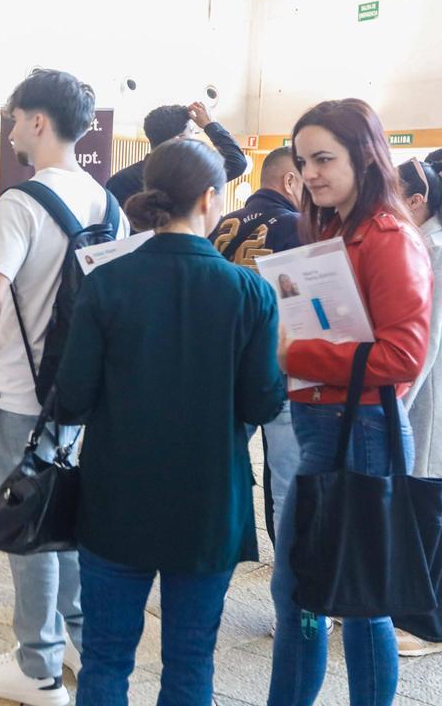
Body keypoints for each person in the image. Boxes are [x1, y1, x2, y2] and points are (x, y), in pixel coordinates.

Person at [56, 138, 282, 705]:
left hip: (115, 499)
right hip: (209, 505)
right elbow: (262, 405)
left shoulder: (108, 280)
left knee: (104, 660)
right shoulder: (249, 290)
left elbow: (71, 399)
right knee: (191, 663)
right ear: (209, 197)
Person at [0, 69, 128, 706]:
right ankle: (79, 643)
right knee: (70, 517)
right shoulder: (108, 203)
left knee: (26, 519)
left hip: (18, 393)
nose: (10, 132)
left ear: (38, 121)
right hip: (80, 396)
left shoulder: (21, 202)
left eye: (14, 119)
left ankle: (36, 666)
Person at [268, 99, 432, 706]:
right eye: (304, 160)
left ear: (365, 156)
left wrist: (297, 357)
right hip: (327, 426)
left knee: (358, 602)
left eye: (324, 159)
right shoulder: (339, 229)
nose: (310, 173)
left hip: (360, 429)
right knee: (303, 592)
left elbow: (402, 357)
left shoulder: (388, 236)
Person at [391, 158, 442, 657]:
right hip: (424, 394)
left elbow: (423, 341)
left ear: (417, 200)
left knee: (426, 510)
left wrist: (396, 402)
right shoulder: (436, 242)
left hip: (427, 398)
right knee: (421, 507)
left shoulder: (438, 249)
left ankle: (432, 627)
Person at [208, 146, 303, 554]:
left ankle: (208, 552)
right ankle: (298, 605)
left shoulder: (221, 222)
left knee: (215, 471)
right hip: (277, 367)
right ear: (290, 181)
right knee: (289, 487)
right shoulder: (297, 226)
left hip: (223, 366)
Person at [104, 101, 248, 212]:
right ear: (179, 140)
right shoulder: (190, 176)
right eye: (192, 132)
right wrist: (210, 125)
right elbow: (237, 162)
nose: (196, 138)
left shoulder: (119, 180)